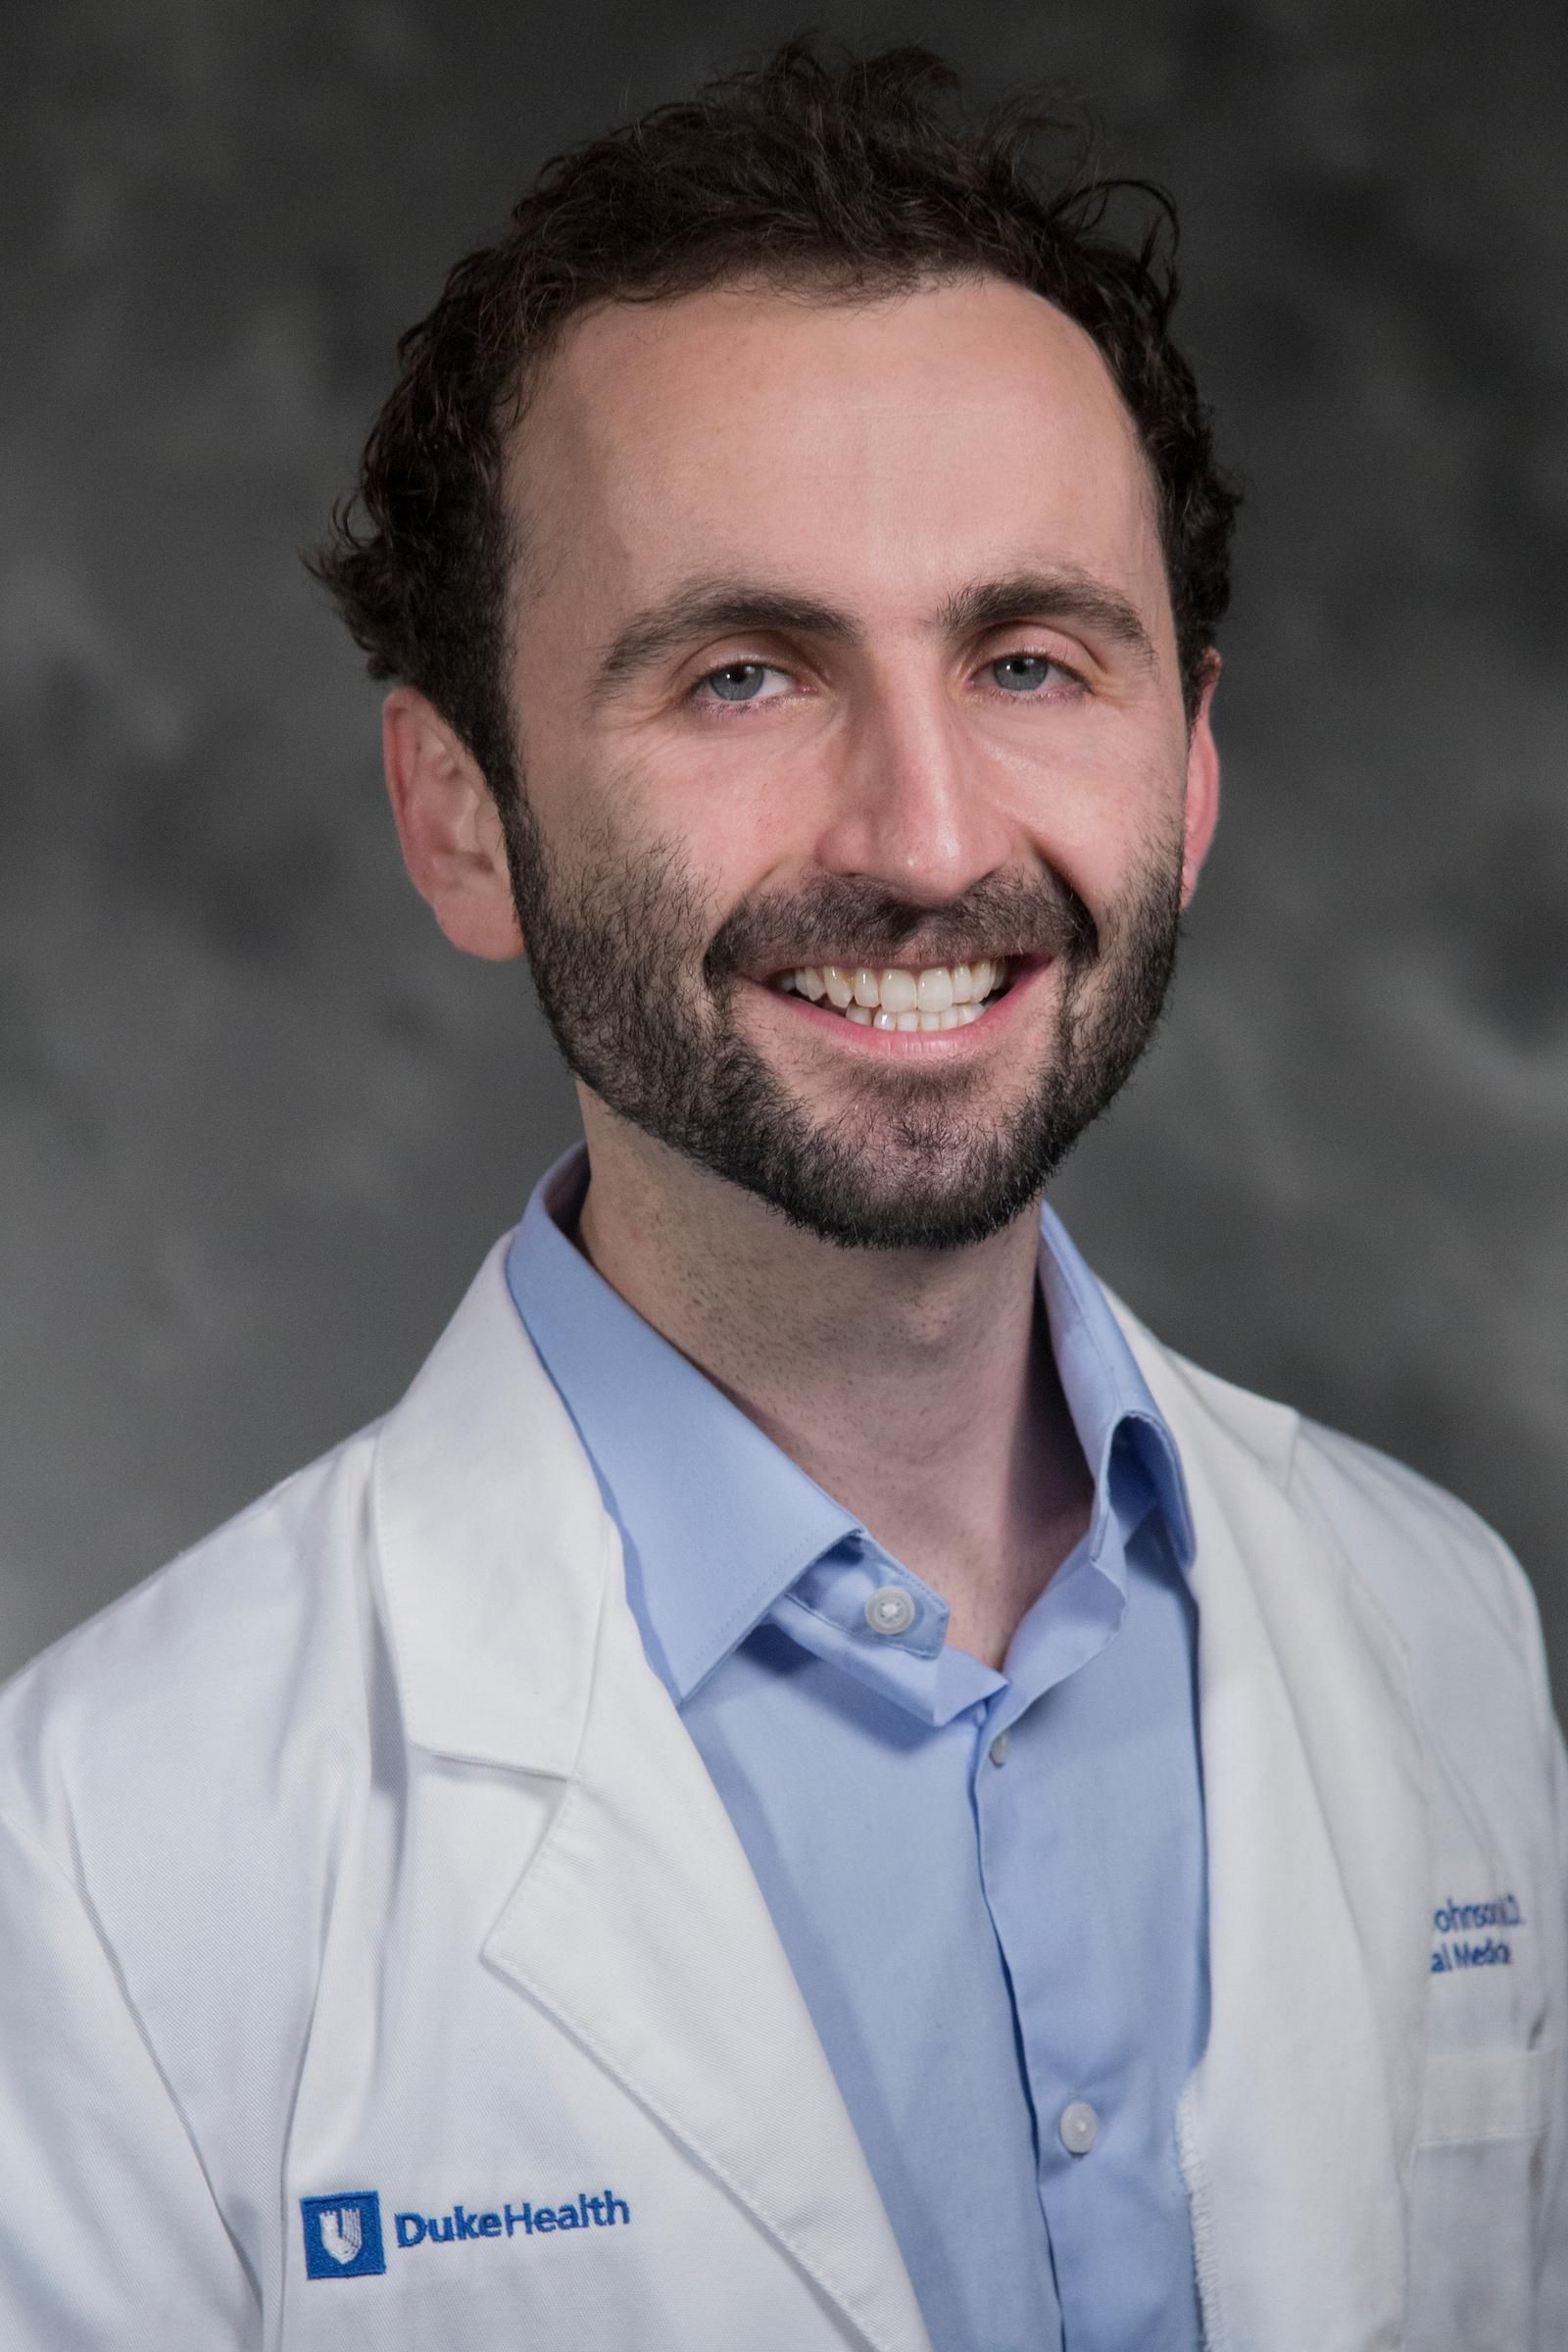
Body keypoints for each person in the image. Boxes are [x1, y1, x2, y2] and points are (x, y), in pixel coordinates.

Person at [0, 37, 1562, 2352]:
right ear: (457, 817)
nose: (924, 839)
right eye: (741, 675)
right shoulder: (95, 1866)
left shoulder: (1437, 1627)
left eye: (1027, 660)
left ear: (1189, 770)